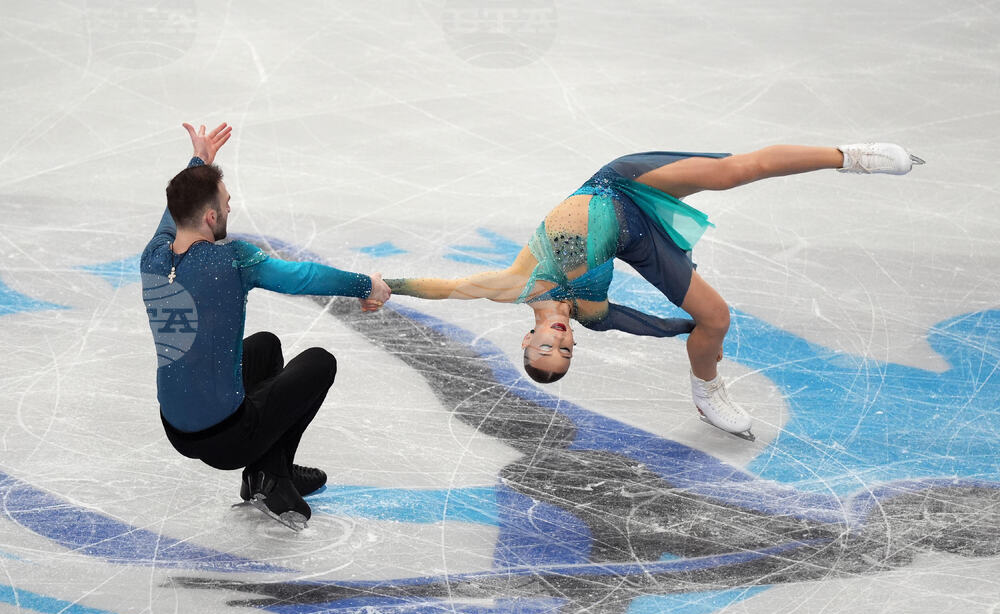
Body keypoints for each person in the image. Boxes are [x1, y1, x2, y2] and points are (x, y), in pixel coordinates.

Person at [385, 143, 923, 440]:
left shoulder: (515, 286)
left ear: (527, 340)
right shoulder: (592, 312)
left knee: (732, 173)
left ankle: (853, 156)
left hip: (617, 188)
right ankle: (707, 391)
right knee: (716, 318)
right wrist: (688, 330)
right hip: (639, 242)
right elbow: (641, 324)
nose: (559, 341)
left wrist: (389, 286)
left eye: (546, 348)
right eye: (565, 352)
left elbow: (445, 288)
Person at [140, 122, 391, 530]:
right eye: (226, 203)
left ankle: (269, 469)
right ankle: (272, 477)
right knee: (319, 362)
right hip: (225, 439)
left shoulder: (153, 256)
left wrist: (200, 160)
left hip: (176, 427)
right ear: (210, 216)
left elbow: (178, 206)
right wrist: (367, 285)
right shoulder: (232, 259)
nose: (230, 209)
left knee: (265, 346)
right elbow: (303, 277)